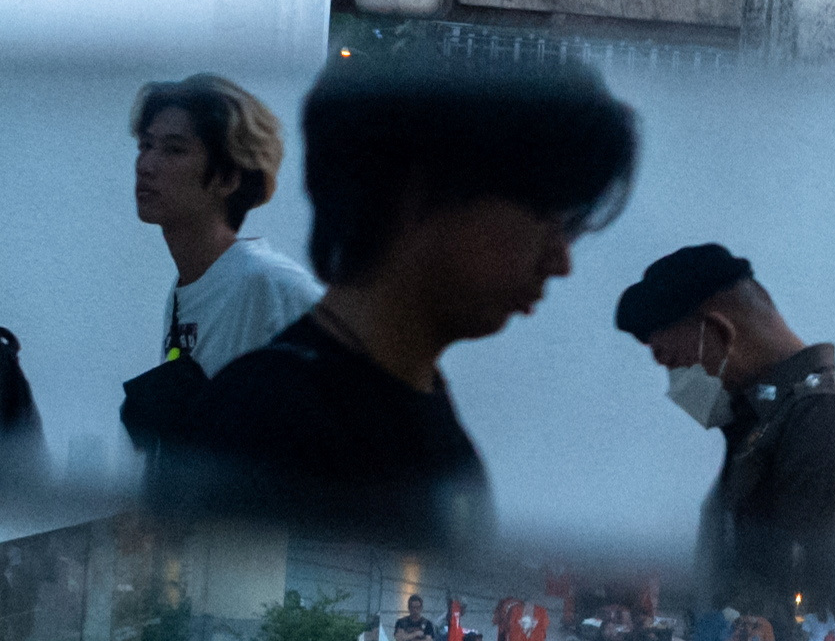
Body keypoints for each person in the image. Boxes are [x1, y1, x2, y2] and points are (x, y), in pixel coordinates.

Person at [149, 59, 641, 548]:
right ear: (420, 192)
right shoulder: (265, 427)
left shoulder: (406, 408)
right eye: (545, 215)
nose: (561, 262)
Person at [617, 242, 835, 616]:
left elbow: (805, 599)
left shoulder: (823, 419)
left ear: (717, 331)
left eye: (676, 362)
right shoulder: (765, 421)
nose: (677, 383)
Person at [128, 73, 325, 404]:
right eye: (146, 145)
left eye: (174, 150)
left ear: (227, 178)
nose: (146, 165)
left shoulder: (269, 284)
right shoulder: (186, 289)